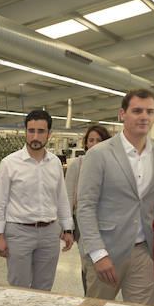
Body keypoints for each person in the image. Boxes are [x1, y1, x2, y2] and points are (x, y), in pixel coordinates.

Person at [77, 90, 154, 305]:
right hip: (106, 250)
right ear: (122, 114)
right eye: (137, 111)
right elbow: (85, 206)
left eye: (150, 111)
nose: (144, 116)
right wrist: (98, 254)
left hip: (142, 252)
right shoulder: (99, 154)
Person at [0, 109, 74, 291]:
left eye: (41, 131)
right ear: (25, 132)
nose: (35, 136)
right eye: (31, 131)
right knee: (19, 287)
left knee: (44, 287)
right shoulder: (9, 163)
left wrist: (67, 228)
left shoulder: (55, 163)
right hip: (19, 232)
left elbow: (61, 198)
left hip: (50, 233)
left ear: (49, 133)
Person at [64, 125, 112, 294]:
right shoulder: (77, 164)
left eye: (99, 140)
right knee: (89, 261)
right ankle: (90, 295)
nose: (94, 144)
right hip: (84, 221)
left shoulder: (112, 165)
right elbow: (68, 197)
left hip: (108, 223)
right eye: (91, 140)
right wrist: (67, 228)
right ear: (85, 143)